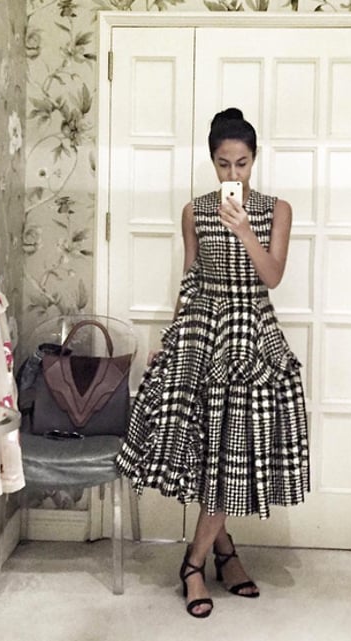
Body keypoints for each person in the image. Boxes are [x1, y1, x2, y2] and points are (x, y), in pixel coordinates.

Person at [116, 108, 309, 618]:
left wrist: (245, 230)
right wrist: (171, 336)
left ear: (254, 159)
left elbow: (272, 276)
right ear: (212, 161)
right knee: (210, 454)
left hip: (252, 335)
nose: (233, 174)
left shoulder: (277, 210)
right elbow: (190, 279)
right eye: (224, 164)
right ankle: (224, 554)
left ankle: (194, 563)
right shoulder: (195, 211)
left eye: (242, 163)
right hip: (202, 332)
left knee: (236, 450)